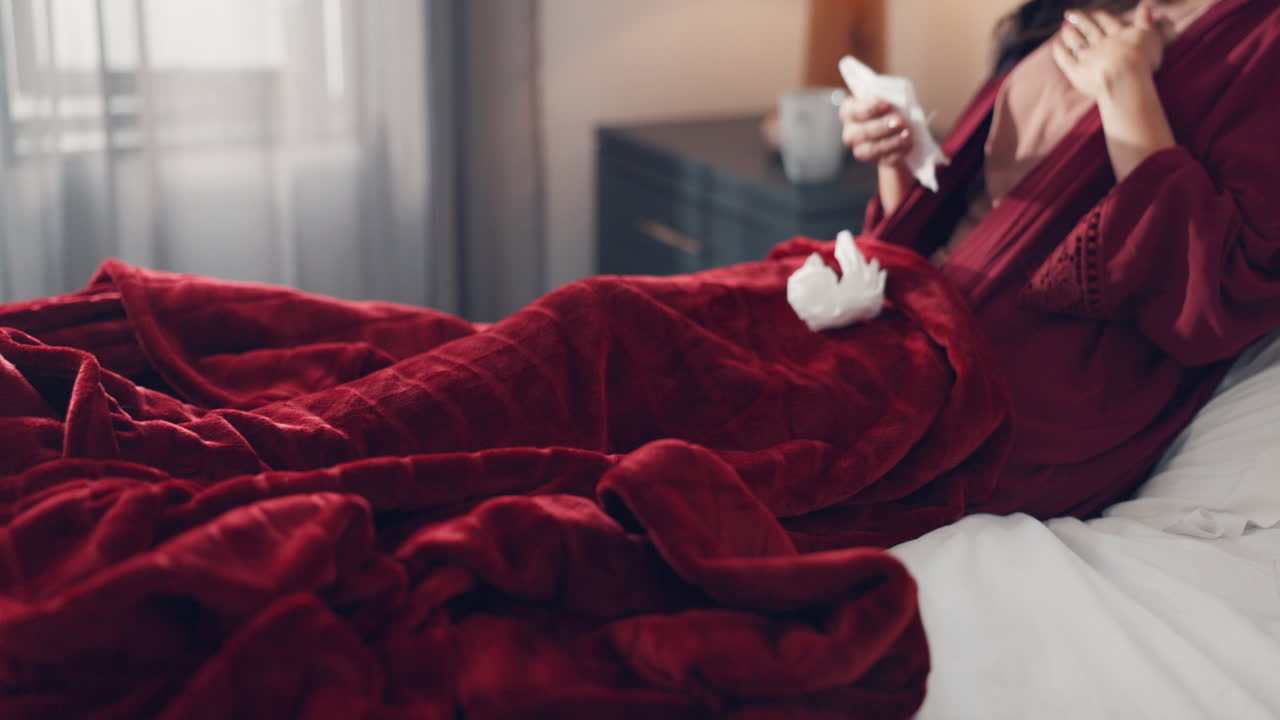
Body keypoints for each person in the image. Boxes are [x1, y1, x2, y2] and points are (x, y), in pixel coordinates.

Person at [839, 0, 1280, 517]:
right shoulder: (1080, 9)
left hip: (1023, 395)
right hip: (914, 311)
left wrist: (1127, 90)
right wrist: (898, 160)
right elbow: (979, 217)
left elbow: (1214, 299)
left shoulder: (1261, 39)